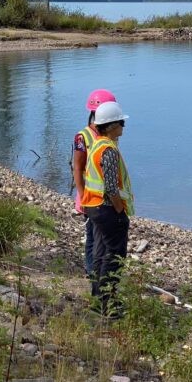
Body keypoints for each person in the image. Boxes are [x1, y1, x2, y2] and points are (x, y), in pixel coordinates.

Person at [81, 101, 133, 318]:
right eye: (121, 122)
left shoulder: (96, 144)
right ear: (111, 126)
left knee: (101, 254)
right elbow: (111, 187)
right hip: (107, 210)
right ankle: (109, 306)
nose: (124, 126)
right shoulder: (109, 150)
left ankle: (98, 300)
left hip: (93, 207)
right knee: (114, 256)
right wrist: (120, 211)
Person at [72, 89, 117, 276]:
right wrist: (82, 197)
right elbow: (78, 168)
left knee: (106, 238)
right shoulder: (83, 137)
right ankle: (93, 272)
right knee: (93, 237)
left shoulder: (110, 135)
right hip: (91, 199)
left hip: (107, 199)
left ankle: (102, 272)